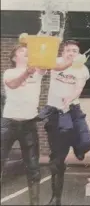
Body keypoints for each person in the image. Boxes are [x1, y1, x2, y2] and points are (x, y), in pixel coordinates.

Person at [40, 40, 90, 206]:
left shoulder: (82, 69)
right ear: (62, 53)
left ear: (79, 54)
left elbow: (79, 88)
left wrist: (70, 98)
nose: (72, 53)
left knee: (87, 141)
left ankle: (78, 147)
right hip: (55, 113)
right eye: (69, 50)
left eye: (75, 50)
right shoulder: (56, 62)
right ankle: (56, 198)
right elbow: (48, 68)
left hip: (73, 111)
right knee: (57, 161)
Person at [0, 45, 45, 205]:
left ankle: (35, 202)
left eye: (28, 51)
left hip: (29, 124)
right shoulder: (9, 72)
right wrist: (27, 73)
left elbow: (50, 60)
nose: (25, 52)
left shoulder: (39, 71)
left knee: (33, 166)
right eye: (21, 51)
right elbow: (13, 84)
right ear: (13, 57)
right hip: (8, 124)